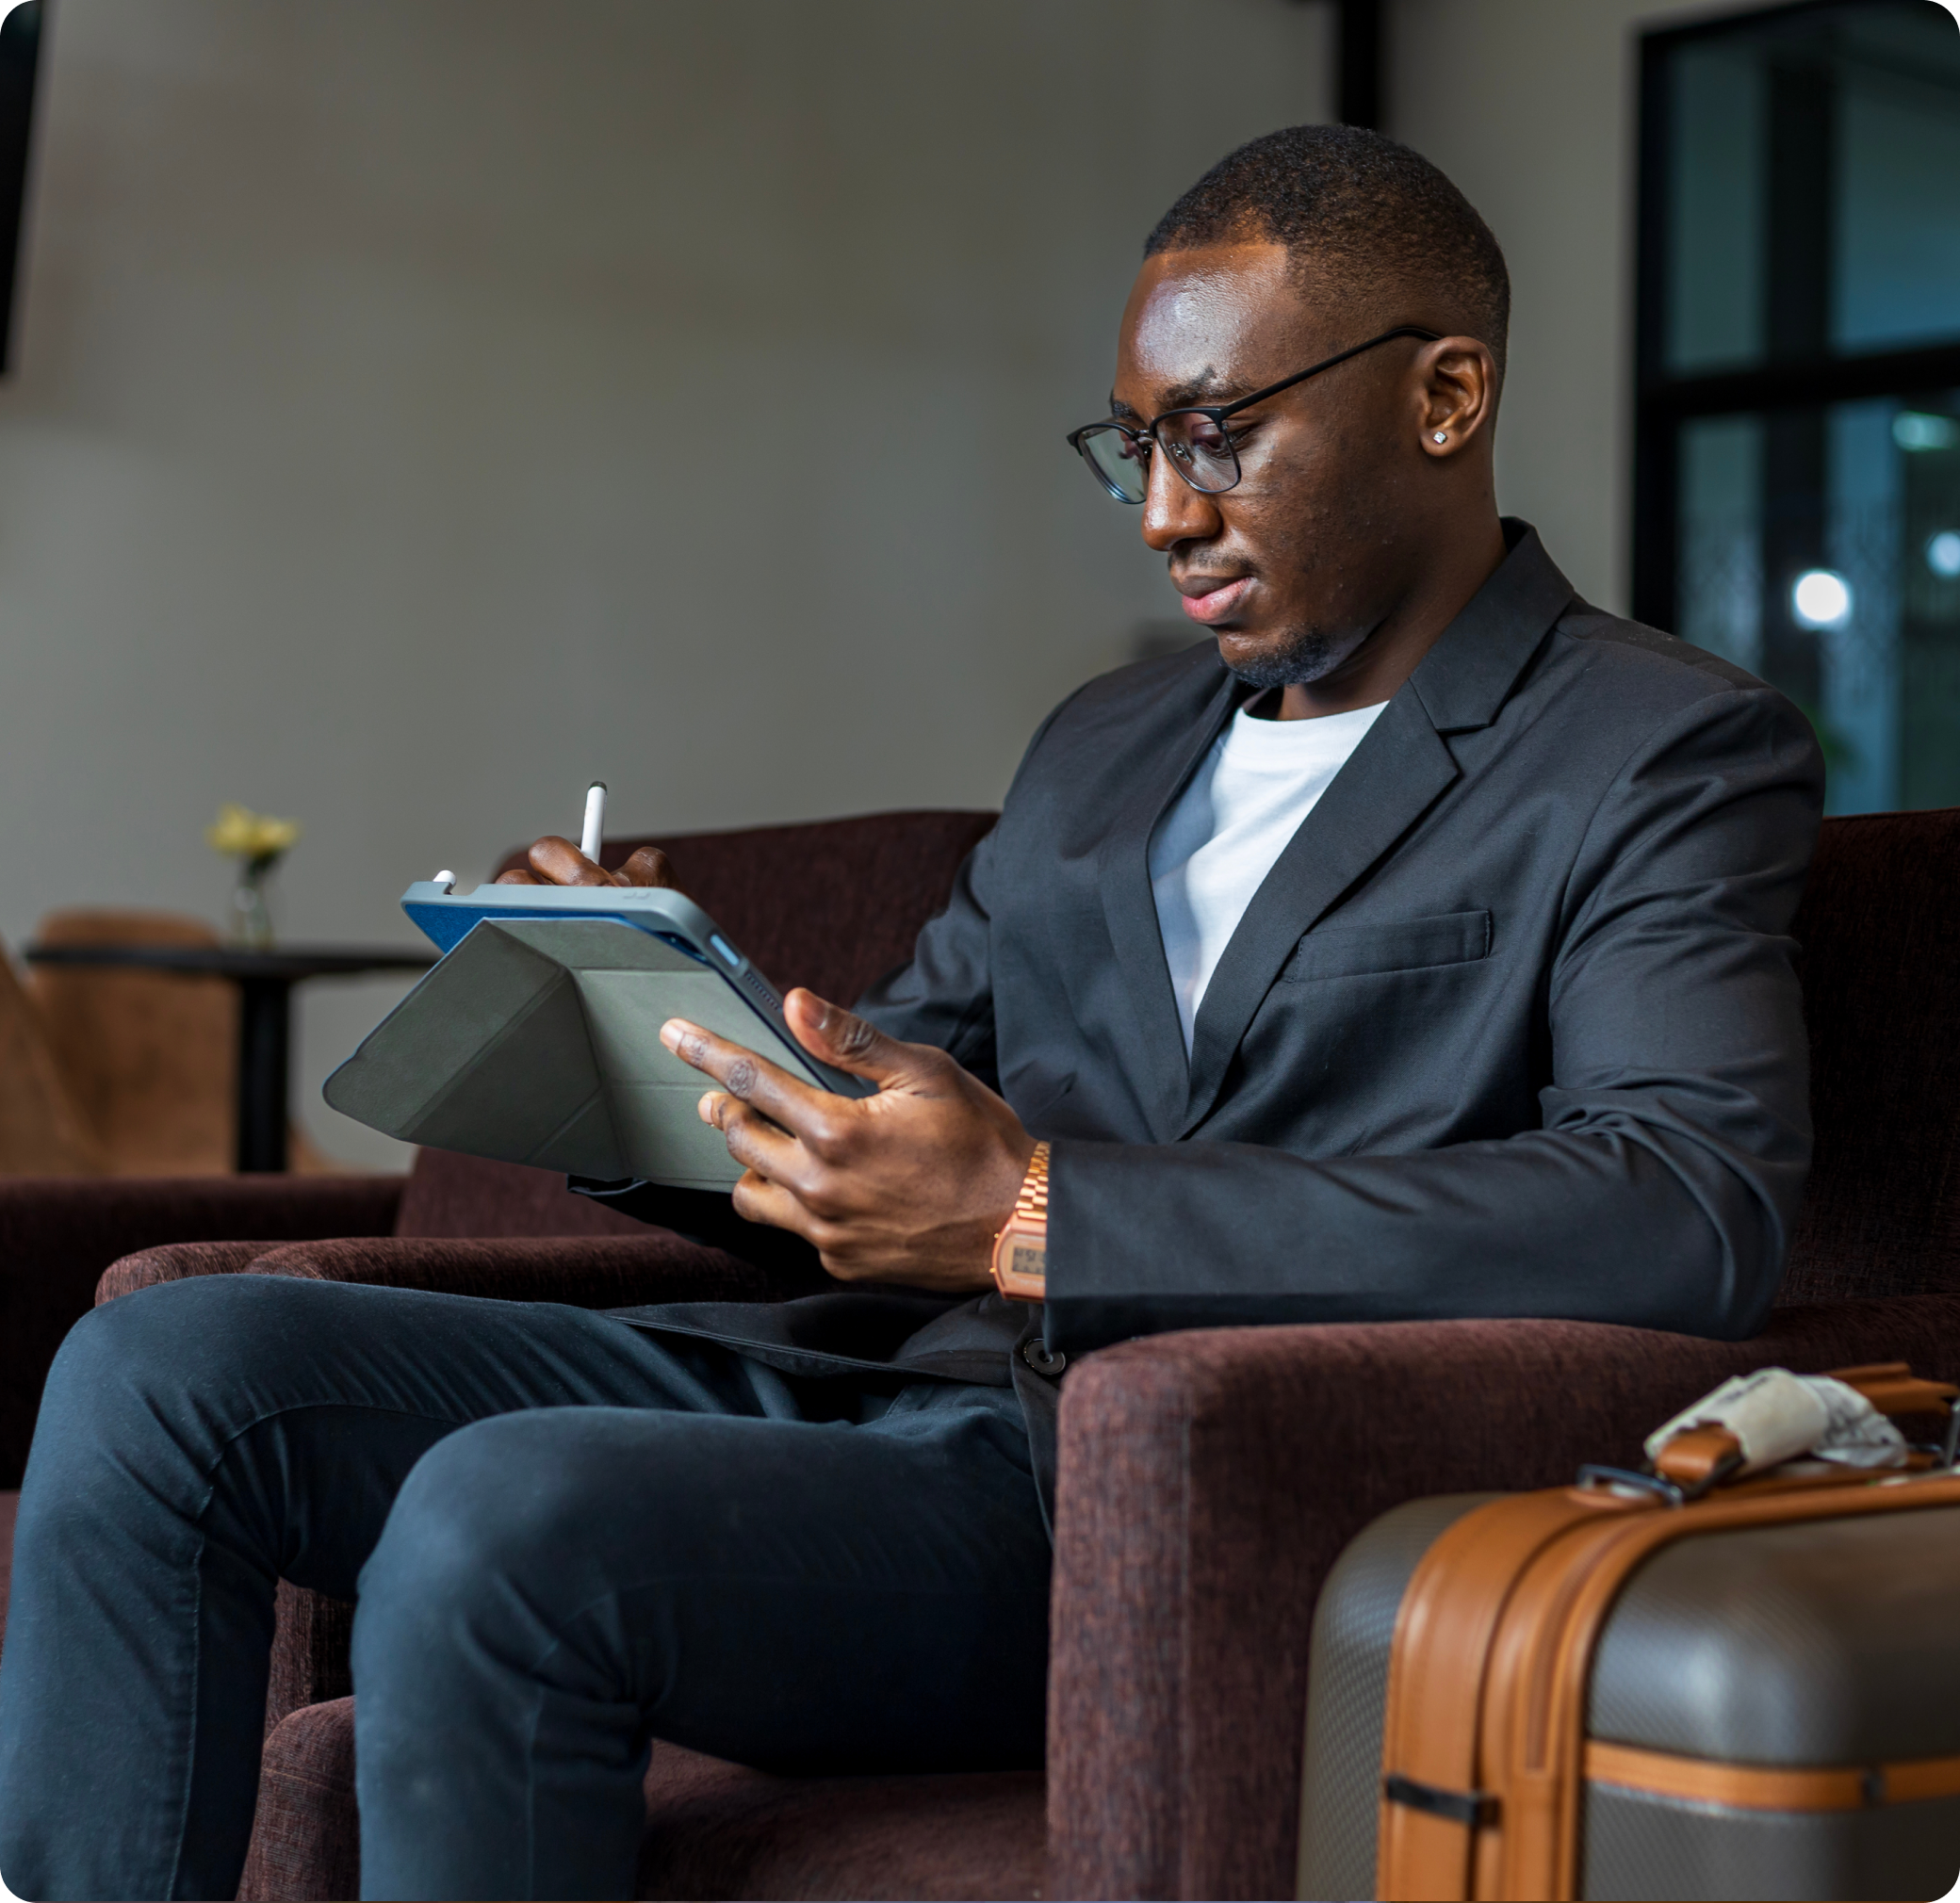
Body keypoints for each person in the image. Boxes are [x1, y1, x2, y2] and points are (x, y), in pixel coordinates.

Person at [0, 124, 1820, 1902]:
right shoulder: (1104, 746)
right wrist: (636, 1016)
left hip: (1160, 1493)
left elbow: (1679, 1205)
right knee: (166, 1374)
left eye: (1218, 434)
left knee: (503, 1513)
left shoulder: (1653, 745)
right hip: (886, 1394)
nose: (1165, 515)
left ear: (1445, 397)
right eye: (1136, 446)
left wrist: (1040, 1215)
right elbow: (872, 1114)